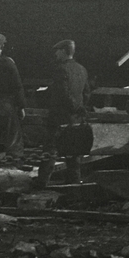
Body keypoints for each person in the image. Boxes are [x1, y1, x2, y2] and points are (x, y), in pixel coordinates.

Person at [48, 39, 92, 183]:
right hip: (76, 118)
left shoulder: (60, 69)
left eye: (57, 51)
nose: (55, 54)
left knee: (50, 150)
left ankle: (42, 181)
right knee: (74, 154)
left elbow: (62, 93)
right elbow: (86, 93)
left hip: (60, 117)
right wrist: (80, 108)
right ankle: (74, 182)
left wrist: (71, 107)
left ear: (62, 51)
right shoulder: (82, 69)